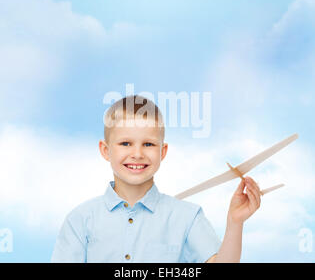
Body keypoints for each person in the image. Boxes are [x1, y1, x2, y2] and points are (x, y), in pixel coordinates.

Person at [51, 95, 261, 263]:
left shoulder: (187, 217)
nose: (137, 154)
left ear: (163, 151)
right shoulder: (80, 221)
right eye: (125, 143)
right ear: (105, 150)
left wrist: (235, 222)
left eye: (148, 144)